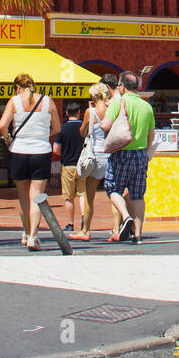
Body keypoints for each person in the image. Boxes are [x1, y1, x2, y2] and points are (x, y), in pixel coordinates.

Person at [0, 73, 61, 251]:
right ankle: (34, 236)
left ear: (18, 87)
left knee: (23, 197)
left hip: (18, 151)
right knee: (37, 196)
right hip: (41, 152)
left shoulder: (15, 101)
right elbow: (57, 127)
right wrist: (41, 136)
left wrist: (8, 138)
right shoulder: (48, 101)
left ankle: (25, 233)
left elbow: (2, 125)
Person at [100, 70, 154, 244]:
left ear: (122, 86)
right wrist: (145, 153)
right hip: (140, 153)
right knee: (138, 194)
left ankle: (126, 216)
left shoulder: (119, 102)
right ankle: (138, 234)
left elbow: (105, 125)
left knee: (112, 188)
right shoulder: (147, 106)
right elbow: (151, 135)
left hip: (121, 152)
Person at [72, 82, 112, 241]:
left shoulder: (91, 111)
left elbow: (82, 132)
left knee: (90, 195)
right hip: (109, 154)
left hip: (94, 155)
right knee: (114, 194)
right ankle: (116, 228)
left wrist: (88, 122)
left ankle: (85, 230)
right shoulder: (112, 109)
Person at [55, 101, 86, 232]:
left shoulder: (62, 129)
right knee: (83, 194)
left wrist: (64, 153)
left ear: (66, 113)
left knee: (69, 197)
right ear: (79, 112)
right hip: (83, 165)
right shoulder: (84, 128)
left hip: (68, 165)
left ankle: (70, 223)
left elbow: (56, 149)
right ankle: (85, 218)